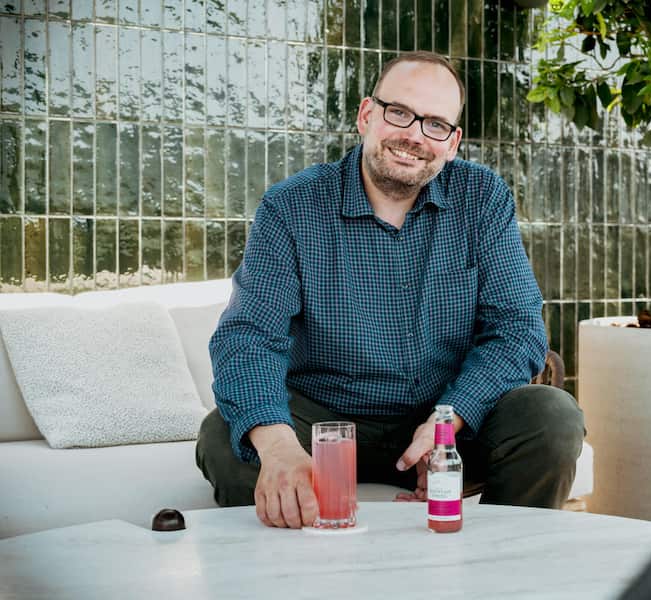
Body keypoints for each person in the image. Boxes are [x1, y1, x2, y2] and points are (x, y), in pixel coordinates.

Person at [196, 51, 585, 529]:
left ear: (453, 142)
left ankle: (499, 570)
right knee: (222, 436)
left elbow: (518, 328)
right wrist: (278, 446)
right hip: (324, 424)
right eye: (399, 112)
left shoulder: (483, 199)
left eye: (436, 125)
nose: (414, 136)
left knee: (552, 418)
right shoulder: (292, 205)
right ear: (366, 115)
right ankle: (295, 578)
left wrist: (449, 420)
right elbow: (249, 336)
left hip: (445, 418)